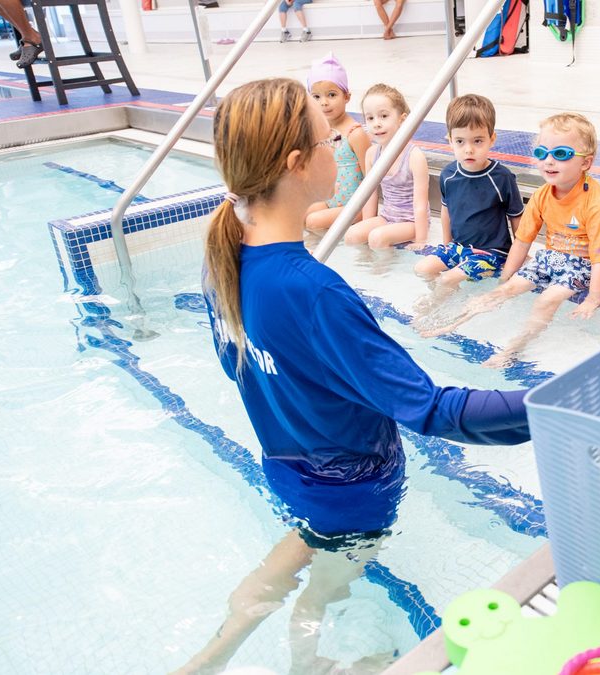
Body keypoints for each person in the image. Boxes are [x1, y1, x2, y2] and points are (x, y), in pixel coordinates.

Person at [174, 78, 530, 675]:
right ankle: (307, 665)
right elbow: (437, 410)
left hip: (288, 469)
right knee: (324, 587)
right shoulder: (313, 293)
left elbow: (245, 371)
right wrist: (565, 403)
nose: (342, 141)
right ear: (297, 164)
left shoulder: (223, 261)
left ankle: (212, 655)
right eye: (328, 137)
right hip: (353, 490)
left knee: (302, 547)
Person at [421, 112, 600, 368]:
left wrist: (594, 298)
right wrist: (506, 279)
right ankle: (452, 325)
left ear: (586, 163)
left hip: (582, 265)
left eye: (561, 154)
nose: (548, 161)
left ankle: (513, 350)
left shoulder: (598, 202)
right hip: (549, 259)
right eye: (541, 153)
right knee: (504, 290)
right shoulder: (542, 195)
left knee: (546, 300)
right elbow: (522, 241)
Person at [412, 93, 523, 318]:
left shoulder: (501, 177)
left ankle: (438, 311)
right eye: (460, 141)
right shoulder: (448, 175)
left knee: (449, 277)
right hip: (459, 247)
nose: (469, 149)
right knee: (422, 269)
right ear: (449, 140)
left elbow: (517, 218)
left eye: (477, 141)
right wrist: (446, 246)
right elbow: (446, 211)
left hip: (492, 253)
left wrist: (518, 257)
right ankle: (447, 299)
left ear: (492, 139)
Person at [343, 83, 430, 249]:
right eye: (370, 118)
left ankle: (381, 271)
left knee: (377, 237)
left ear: (402, 120)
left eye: (383, 116)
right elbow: (370, 195)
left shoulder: (414, 157)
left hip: (411, 221)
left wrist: (421, 241)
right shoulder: (371, 154)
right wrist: (367, 227)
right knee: (352, 234)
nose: (376, 123)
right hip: (387, 217)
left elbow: (421, 205)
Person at [304, 53, 370, 232]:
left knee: (313, 222)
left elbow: (371, 179)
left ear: (347, 96)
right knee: (300, 215)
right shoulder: (319, 132)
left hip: (355, 207)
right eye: (316, 97)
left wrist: (368, 216)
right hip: (330, 200)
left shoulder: (354, 134)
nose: (324, 103)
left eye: (332, 95)